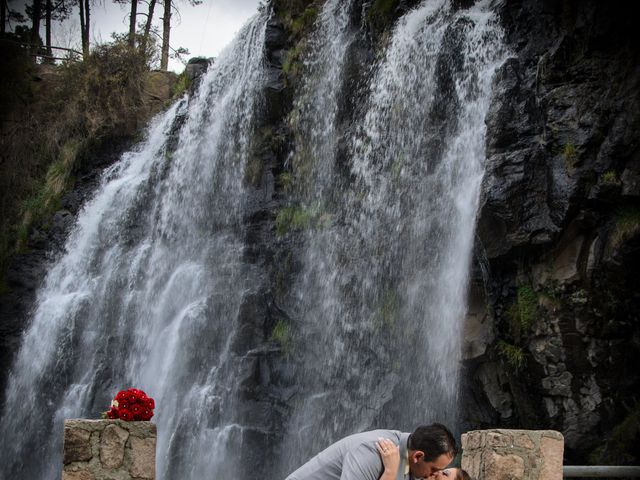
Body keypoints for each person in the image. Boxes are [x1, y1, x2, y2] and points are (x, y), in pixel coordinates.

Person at [284, 423, 457, 480]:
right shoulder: (372, 452)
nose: (434, 476)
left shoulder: (409, 466)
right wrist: (389, 473)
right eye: (434, 469)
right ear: (418, 456)